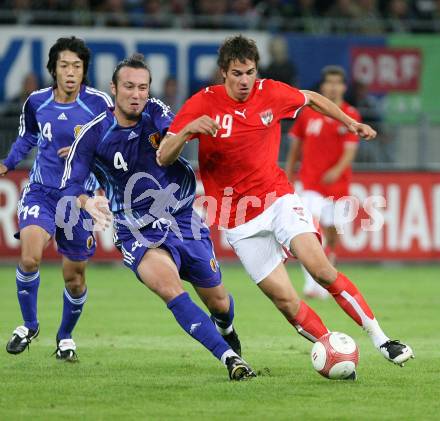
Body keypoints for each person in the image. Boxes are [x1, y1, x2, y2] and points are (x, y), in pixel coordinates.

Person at [157, 35, 414, 372]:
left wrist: (349, 122)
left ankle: (382, 340)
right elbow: (163, 155)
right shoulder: (203, 104)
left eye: (249, 72)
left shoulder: (270, 93)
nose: (244, 80)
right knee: (286, 301)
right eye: (237, 73)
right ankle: (332, 348)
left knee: (321, 271)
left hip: (277, 200)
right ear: (224, 73)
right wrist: (187, 129)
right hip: (237, 220)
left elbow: (310, 98)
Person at [59, 53, 255, 381]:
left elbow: (170, 139)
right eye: (129, 87)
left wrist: (186, 130)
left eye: (143, 87)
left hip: (181, 216)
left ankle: (226, 328)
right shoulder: (93, 135)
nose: (136, 94)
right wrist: (85, 201)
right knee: (170, 288)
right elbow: (69, 187)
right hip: (136, 230)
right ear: (114, 88)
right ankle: (230, 359)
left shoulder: (156, 111)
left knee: (219, 301)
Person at [0, 37, 113, 360]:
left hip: (78, 198)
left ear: (84, 71)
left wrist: (85, 152)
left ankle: (65, 337)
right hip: (42, 191)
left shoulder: (98, 103)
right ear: (53, 69)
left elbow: (111, 141)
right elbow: (28, 136)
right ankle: (29, 324)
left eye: (77, 66)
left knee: (74, 279)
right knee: (29, 257)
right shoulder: (37, 102)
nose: (70, 72)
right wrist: (8, 162)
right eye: (64, 65)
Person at [285, 65, 359, 299]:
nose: (333, 86)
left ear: (344, 86)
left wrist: (337, 171)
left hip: (337, 187)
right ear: (323, 86)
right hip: (310, 184)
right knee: (310, 231)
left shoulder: (350, 114)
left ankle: (328, 269)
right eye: (329, 82)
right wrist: (288, 174)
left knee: (332, 234)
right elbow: (295, 148)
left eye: (338, 82)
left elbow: (350, 150)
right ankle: (311, 286)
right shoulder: (307, 114)